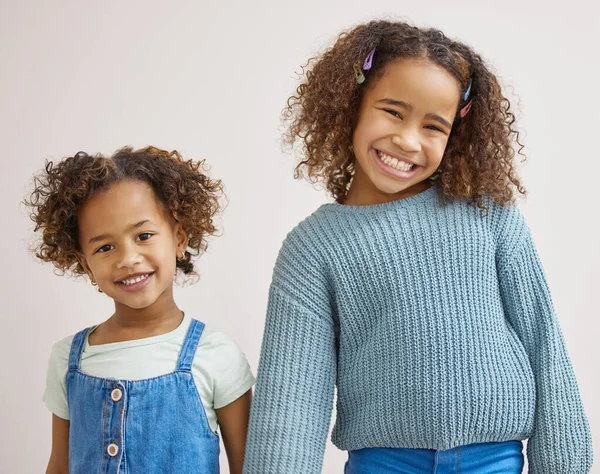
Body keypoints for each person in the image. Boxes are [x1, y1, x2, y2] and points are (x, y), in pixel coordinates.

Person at [243, 20, 593, 474]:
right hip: (384, 465)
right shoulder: (312, 249)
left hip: (496, 461)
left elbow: (544, 343)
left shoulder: (488, 215)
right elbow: (291, 401)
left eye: (433, 126)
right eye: (392, 111)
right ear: (352, 106)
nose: (408, 141)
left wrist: (565, 463)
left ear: (456, 133)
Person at [26, 146, 254, 474]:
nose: (128, 258)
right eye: (105, 247)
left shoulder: (216, 354)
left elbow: (248, 465)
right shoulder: (67, 359)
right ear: (85, 264)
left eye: (143, 235)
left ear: (179, 238)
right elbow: (59, 465)